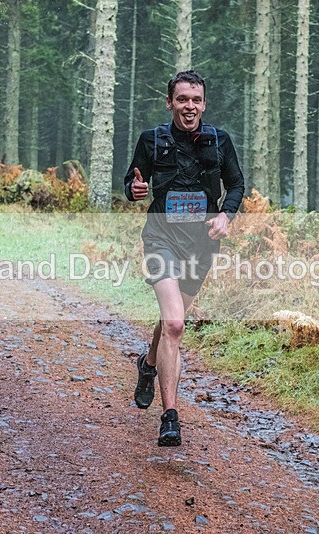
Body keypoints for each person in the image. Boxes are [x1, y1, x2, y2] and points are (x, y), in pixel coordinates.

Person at [123, 70, 245, 446]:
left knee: (170, 321)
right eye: (182, 100)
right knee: (175, 324)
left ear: (203, 104)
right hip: (161, 240)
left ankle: (148, 365)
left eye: (195, 100)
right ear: (170, 102)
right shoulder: (152, 140)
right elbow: (131, 183)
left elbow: (237, 184)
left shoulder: (220, 141)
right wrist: (135, 189)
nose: (189, 107)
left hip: (201, 246)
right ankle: (170, 417)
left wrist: (226, 214)